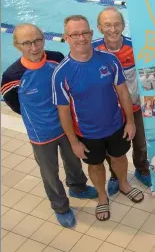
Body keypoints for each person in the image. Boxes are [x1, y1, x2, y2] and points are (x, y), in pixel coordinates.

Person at [1, 23, 97, 228]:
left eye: (37, 40)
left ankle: (78, 187)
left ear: (44, 38)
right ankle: (61, 207)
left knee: (74, 161)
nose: (34, 47)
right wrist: (37, 118)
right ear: (17, 45)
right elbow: (14, 104)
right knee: (49, 173)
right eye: (27, 43)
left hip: (66, 126)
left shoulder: (56, 58)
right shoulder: (12, 77)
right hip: (41, 134)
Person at [52, 15, 144, 222]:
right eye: (75, 34)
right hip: (86, 132)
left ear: (92, 34)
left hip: (116, 125)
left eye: (85, 32)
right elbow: (63, 112)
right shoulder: (61, 73)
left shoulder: (109, 60)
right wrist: (73, 142)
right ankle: (102, 196)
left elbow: (123, 93)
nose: (81, 38)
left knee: (119, 158)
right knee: (95, 166)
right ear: (66, 37)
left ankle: (123, 183)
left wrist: (130, 121)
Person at [92, 7, 151, 193]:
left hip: (135, 106)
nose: (113, 29)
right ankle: (116, 176)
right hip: (110, 112)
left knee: (140, 143)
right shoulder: (93, 50)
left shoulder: (135, 48)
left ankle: (142, 169)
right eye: (107, 25)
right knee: (112, 148)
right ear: (99, 27)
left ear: (123, 26)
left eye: (117, 24)